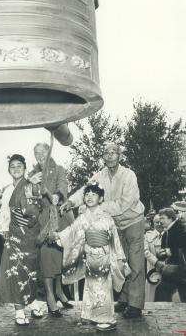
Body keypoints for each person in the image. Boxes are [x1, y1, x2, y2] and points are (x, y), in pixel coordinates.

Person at [61, 142, 145, 318]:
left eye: (113, 152)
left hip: (133, 221)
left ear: (119, 156)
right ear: (103, 157)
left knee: (136, 262)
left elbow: (125, 203)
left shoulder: (129, 175)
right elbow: (86, 190)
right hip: (115, 224)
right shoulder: (99, 175)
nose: (110, 156)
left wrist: (98, 207)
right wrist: (71, 201)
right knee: (120, 262)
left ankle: (136, 305)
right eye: (106, 153)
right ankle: (123, 299)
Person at [54, 181, 128, 332]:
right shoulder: (82, 217)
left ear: (101, 199)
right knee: (90, 286)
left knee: (102, 287)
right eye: (87, 194)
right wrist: (58, 236)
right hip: (90, 256)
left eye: (94, 194)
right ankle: (90, 315)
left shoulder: (107, 217)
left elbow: (114, 239)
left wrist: (118, 257)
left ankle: (107, 318)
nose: (89, 197)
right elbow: (72, 232)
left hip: (104, 255)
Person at [0, 154, 44, 326]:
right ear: (9, 170)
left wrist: (32, 188)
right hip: (12, 235)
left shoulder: (31, 185)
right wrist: (5, 231)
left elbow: (37, 208)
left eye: (19, 166)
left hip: (29, 233)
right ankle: (19, 309)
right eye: (12, 166)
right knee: (13, 271)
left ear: (25, 168)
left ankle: (33, 301)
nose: (16, 169)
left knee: (29, 270)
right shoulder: (7, 189)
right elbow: (4, 213)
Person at [28, 142, 74, 316]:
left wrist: (57, 194)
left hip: (61, 217)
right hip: (43, 220)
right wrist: (34, 187)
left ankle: (59, 291)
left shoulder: (60, 169)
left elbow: (63, 185)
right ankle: (49, 296)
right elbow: (31, 194)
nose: (39, 156)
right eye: (36, 153)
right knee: (47, 258)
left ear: (49, 153)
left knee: (59, 257)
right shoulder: (33, 174)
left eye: (42, 152)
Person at [154, 207, 186, 302]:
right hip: (174, 270)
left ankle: (160, 313)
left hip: (179, 269)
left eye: (163, 218)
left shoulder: (181, 230)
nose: (160, 221)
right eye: (159, 219)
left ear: (170, 218)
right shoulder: (166, 232)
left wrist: (169, 251)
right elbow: (164, 251)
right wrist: (160, 254)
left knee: (162, 290)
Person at [144, 214, 164, 301]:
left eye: (161, 222)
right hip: (152, 269)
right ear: (153, 223)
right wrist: (156, 262)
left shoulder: (169, 235)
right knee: (151, 294)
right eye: (156, 222)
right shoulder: (148, 235)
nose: (159, 224)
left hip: (165, 268)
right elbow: (145, 251)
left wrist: (164, 264)